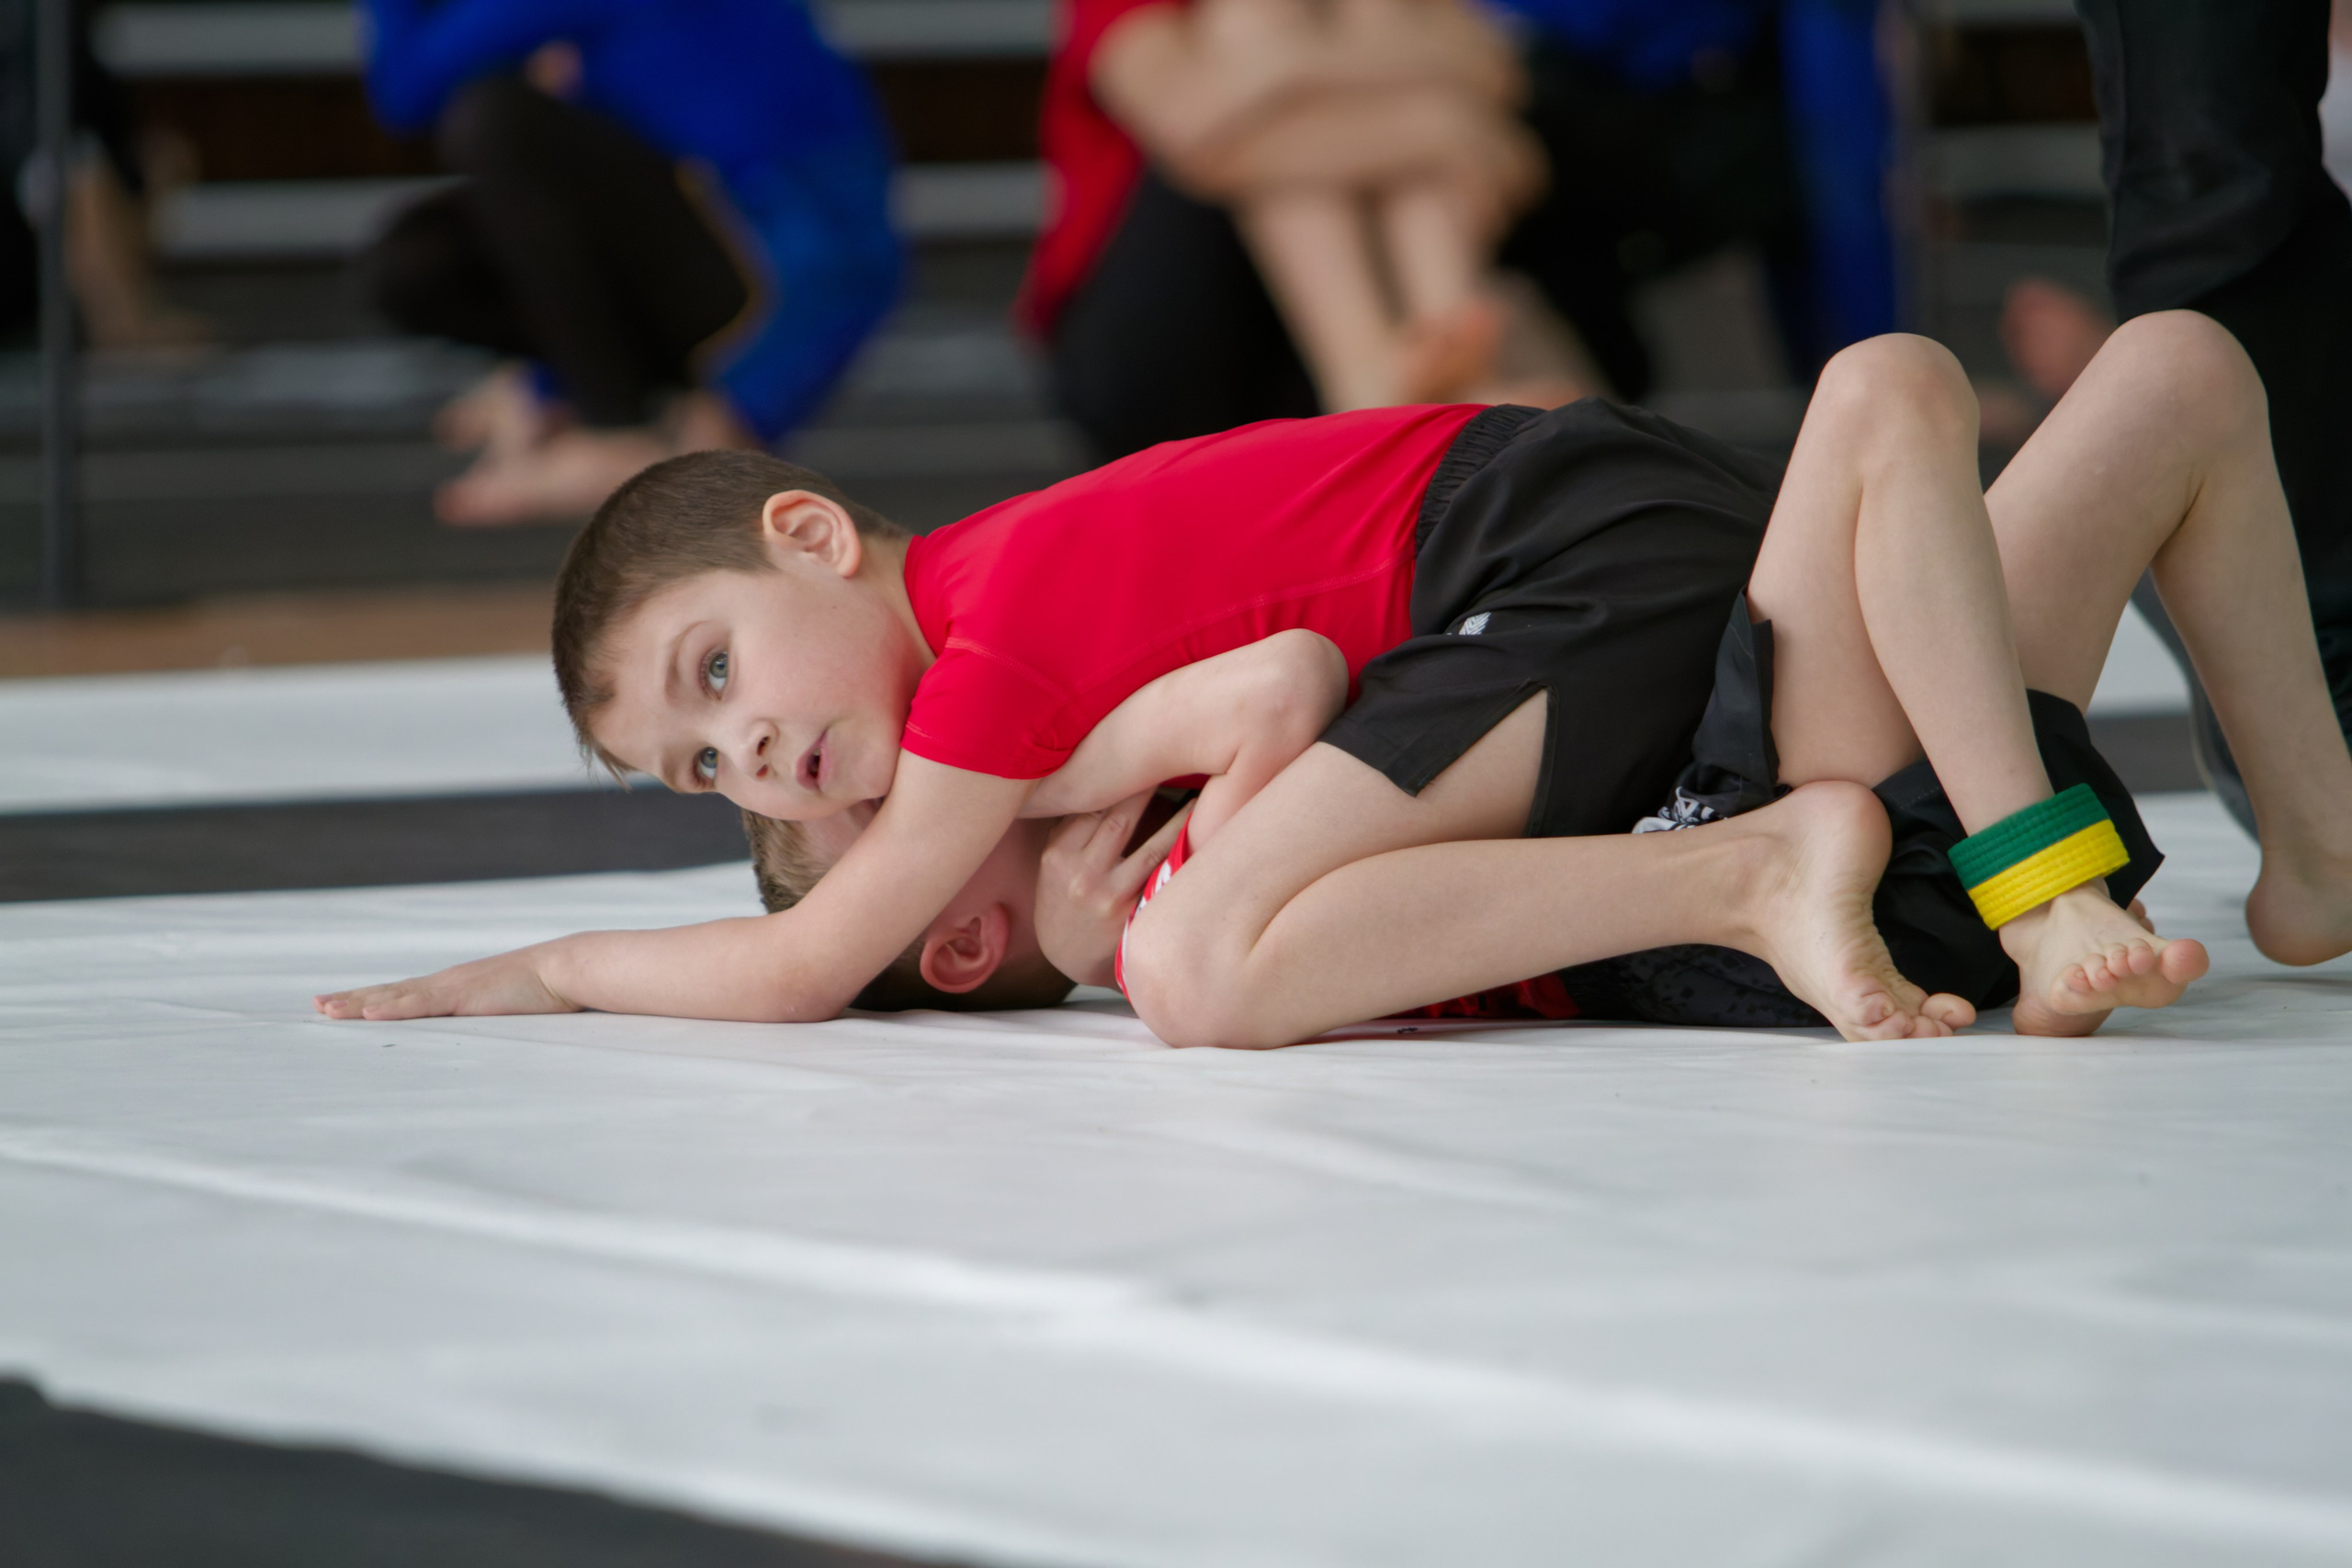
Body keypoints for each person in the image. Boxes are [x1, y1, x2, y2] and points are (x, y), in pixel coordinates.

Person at [316, 311, 2352, 1045]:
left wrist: (549, 967)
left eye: (708, 684)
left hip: (1553, 570)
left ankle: (1955, 859)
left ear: (813, 538)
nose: (744, 747)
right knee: (2153, 371)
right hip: (1655, 617)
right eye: (700, 773)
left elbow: (795, 957)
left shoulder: (981, 663)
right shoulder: (1035, 718)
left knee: (1199, 968)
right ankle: (2312, 857)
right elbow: (1276, 688)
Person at [357, 0, 902, 525]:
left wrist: (743, 408)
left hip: (759, 290)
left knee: (497, 119)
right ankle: (567, 395)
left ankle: (614, 430)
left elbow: (405, 92)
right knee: (420, 263)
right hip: (732, 259)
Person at [1029, 0, 1569, 457]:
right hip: (1163, 346)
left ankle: (1437, 358)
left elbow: (1496, 72)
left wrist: (1285, 70)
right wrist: (1441, 127)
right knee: (1257, 16)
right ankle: (1378, 379)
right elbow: (1195, 129)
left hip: (1306, 349)